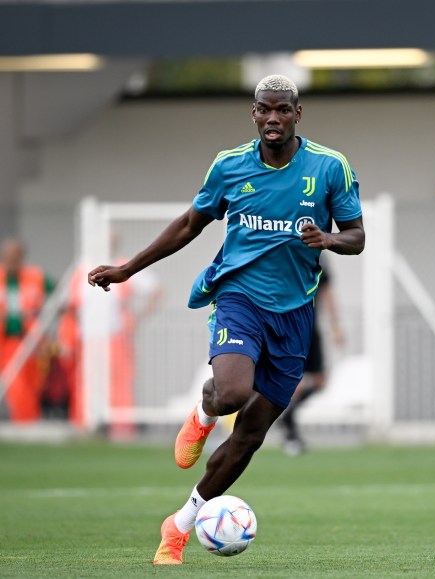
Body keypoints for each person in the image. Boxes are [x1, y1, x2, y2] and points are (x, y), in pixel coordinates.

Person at [87, 75, 364, 565]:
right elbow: (191, 224)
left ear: (298, 114)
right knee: (233, 393)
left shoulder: (329, 167)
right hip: (239, 298)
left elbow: (357, 236)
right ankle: (204, 414)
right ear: (253, 114)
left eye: (283, 110)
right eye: (264, 110)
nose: (273, 118)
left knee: (252, 435)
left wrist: (328, 239)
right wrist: (128, 268)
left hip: (296, 313)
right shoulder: (230, 165)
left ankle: (180, 524)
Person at [60, 233, 163, 436]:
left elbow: (156, 290)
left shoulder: (124, 266)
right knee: (86, 384)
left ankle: (121, 428)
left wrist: (136, 319)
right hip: (88, 338)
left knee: (119, 384)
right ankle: (86, 426)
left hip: (116, 337)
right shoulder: (82, 268)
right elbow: (68, 304)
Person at [278, 255, 345, 456]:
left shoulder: (318, 258)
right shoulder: (287, 253)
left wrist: (335, 325)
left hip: (310, 329)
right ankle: (289, 431)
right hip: (291, 327)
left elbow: (326, 292)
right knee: (295, 381)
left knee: (319, 381)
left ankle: (287, 419)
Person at [1, 238, 55, 423]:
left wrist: (42, 312)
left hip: (30, 342)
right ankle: (23, 422)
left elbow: (59, 295)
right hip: (5, 342)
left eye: (16, 256)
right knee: (15, 384)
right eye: (9, 256)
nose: (12, 260)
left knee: (33, 383)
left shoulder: (36, 276)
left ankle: (30, 422)